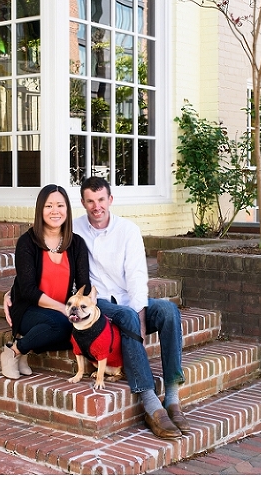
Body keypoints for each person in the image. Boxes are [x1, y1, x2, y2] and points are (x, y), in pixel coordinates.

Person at [72, 176, 189, 439]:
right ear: (83, 203)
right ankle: (151, 404)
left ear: (110, 199)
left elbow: (137, 277)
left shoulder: (128, 230)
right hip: (99, 303)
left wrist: (141, 319)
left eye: (101, 200)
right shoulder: (75, 229)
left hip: (127, 299)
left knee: (168, 311)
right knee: (127, 315)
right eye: (90, 201)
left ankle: (172, 398)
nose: (96, 206)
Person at [0, 184, 91, 380]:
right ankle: (13, 351)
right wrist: (62, 308)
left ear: (67, 209)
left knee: (79, 330)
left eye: (60, 205)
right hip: (28, 308)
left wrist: (84, 308)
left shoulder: (76, 244)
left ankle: (26, 346)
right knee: (62, 325)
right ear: (40, 210)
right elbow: (28, 290)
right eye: (49, 206)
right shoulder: (27, 242)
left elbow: (84, 285)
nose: (55, 211)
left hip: (59, 311)